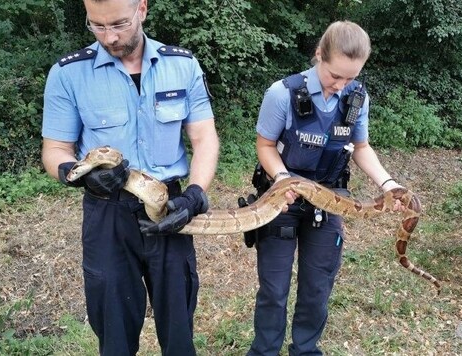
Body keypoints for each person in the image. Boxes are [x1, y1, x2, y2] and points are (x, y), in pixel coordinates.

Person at [40, 0, 219, 354]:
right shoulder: (68, 74)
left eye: (119, 24)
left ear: (142, 8)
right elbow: (55, 150)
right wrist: (74, 175)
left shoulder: (181, 66)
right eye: (98, 26)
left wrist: (195, 194)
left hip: (170, 206)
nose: (109, 37)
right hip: (107, 212)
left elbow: (205, 139)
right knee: (114, 327)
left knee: (179, 326)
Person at [246, 21, 404, 356]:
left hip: (329, 203)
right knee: (274, 289)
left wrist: (389, 184)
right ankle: (264, 351)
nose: (341, 85)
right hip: (282, 200)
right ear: (319, 54)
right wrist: (282, 179)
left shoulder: (357, 97)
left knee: (317, 287)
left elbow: (360, 148)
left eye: (350, 77)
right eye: (335, 75)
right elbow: (265, 145)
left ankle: (305, 350)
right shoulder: (282, 93)